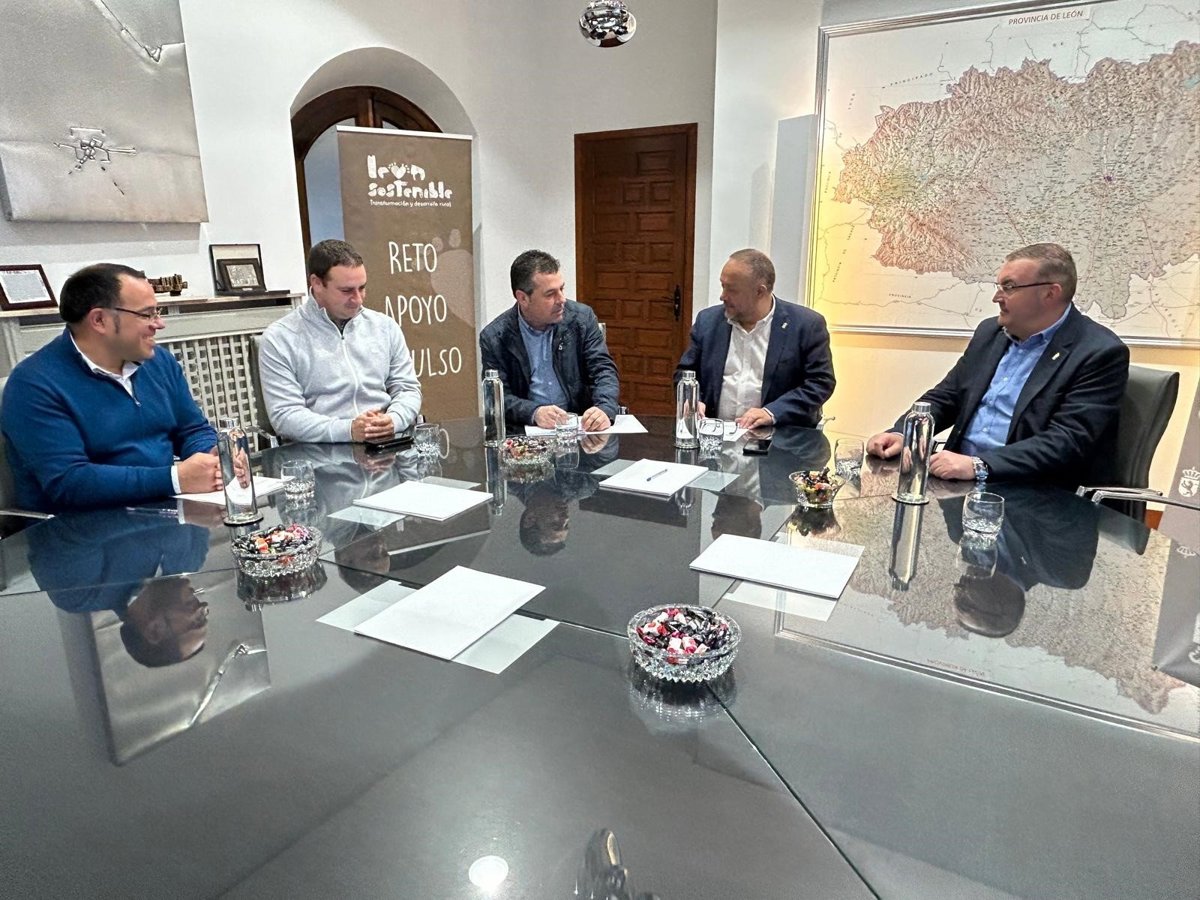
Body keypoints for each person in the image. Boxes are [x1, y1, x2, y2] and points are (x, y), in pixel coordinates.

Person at [867, 243, 1129, 485]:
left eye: (1009, 287)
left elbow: (1066, 441)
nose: (997, 297)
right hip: (957, 482)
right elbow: (947, 396)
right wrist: (904, 434)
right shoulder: (990, 333)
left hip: (1031, 491)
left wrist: (979, 465)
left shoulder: (1098, 352)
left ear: (1050, 293)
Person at [1, 263, 220, 513]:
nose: (159, 324)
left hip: (164, 511)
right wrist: (175, 479)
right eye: (146, 314)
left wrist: (215, 457)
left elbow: (192, 430)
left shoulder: (159, 362)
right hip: (84, 527)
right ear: (99, 320)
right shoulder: (34, 384)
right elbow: (69, 482)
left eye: (157, 312)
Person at [258, 239, 422, 443]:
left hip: (388, 443)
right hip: (321, 451)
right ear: (317, 284)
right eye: (346, 291)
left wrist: (394, 419)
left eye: (362, 288)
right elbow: (285, 416)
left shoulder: (384, 326)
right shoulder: (280, 338)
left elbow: (407, 389)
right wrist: (348, 430)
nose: (358, 299)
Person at [675, 249, 835, 429]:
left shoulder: (805, 325)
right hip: (714, 435)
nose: (722, 296)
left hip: (779, 436)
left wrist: (772, 413)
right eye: (722, 286)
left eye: (732, 289)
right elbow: (685, 372)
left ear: (760, 291)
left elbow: (820, 383)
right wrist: (692, 400)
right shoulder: (708, 321)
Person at [479, 249, 620, 432]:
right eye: (550, 294)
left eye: (562, 289)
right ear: (523, 298)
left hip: (580, 426)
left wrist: (604, 408)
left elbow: (603, 370)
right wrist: (534, 412)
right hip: (528, 432)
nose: (562, 300)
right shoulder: (495, 337)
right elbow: (497, 398)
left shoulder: (581, 319)